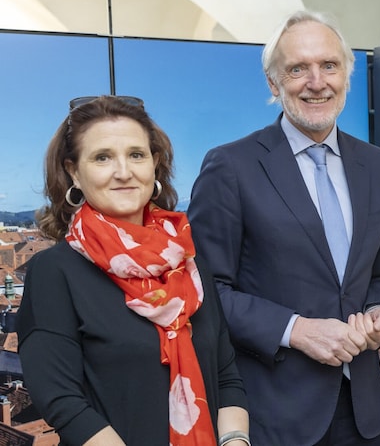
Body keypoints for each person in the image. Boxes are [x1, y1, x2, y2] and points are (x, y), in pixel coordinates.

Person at [187, 10, 380, 446]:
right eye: (297, 69)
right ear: (274, 84)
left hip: (364, 416)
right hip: (275, 417)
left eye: (329, 65)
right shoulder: (231, 167)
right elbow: (204, 291)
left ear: (347, 75)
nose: (316, 81)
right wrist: (297, 330)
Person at [17, 95, 250, 446]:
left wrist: (236, 442)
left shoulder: (189, 263)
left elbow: (225, 375)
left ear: (155, 164)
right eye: (102, 157)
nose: (124, 172)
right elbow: (63, 401)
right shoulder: (54, 272)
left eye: (136, 155)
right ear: (73, 172)